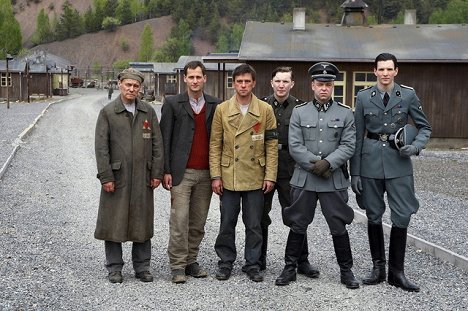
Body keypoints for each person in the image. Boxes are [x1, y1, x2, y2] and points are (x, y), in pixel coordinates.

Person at [350, 53, 432, 292]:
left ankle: (397, 272)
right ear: (374, 71)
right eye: (381, 69)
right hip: (370, 162)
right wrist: (355, 173)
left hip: (399, 162)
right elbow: (357, 137)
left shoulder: (408, 95)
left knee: (403, 214)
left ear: (396, 71)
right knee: (373, 214)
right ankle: (378, 268)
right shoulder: (364, 97)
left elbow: (424, 127)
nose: (385, 74)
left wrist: (415, 146)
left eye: (389, 69)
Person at [277, 62, 359, 289]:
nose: (324, 88)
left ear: (333, 86)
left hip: (332, 179)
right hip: (305, 177)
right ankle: (290, 268)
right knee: (298, 223)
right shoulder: (300, 112)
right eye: (320, 84)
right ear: (312, 85)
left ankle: (346, 271)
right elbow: (295, 145)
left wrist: (329, 163)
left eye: (328, 84)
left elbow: (349, 144)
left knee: (338, 224)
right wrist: (316, 165)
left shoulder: (344, 113)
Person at [94, 68, 164, 284]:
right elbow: (101, 147)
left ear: (140, 88)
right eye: (128, 85)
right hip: (117, 177)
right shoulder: (108, 112)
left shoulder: (148, 112)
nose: (132, 89)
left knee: (142, 221)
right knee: (113, 221)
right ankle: (114, 268)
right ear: (119, 84)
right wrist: (106, 176)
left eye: (136, 86)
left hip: (143, 177)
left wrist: (157, 173)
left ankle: (142, 267)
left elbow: (157, 144)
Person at [210, 64, 278, 282]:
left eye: (247, 81)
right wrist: (216, 175)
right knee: (227, 222)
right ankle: (225, 262)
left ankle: (252, 263)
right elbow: (215, 144)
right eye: (239, 81)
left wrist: (270, 176)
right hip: (230, 174)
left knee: (254, 224)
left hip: (255, 174)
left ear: (254, 83)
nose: (243, 85)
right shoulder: (222, 109)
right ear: (233, 83)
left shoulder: (265, 110)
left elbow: (271, 145)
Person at [160, 61, 221, 284]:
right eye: (191, 77)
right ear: (184, 79)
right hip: (181, 172)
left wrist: (218, 174)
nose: (195, 81)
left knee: (198, 221)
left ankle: (191, 261)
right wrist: (166, 170)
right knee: (180, 219)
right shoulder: (172, 103)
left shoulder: (216, 104)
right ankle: (177, 265)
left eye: (199, 77)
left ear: (205, 79)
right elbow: (164, 138)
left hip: (206, 173)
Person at [259, 67, 319, 279]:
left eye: (285, 81)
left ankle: (301, 260)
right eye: (278, 81)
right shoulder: (261, 105)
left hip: (290, 168)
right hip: (264, 168)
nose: (281, 85)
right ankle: (259, 259)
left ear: (292, 84)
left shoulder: (301, 107)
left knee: (296, 216)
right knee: (260, 215)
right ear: (271, 82)